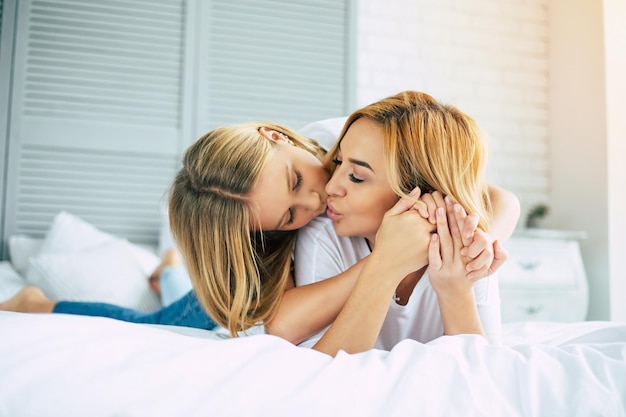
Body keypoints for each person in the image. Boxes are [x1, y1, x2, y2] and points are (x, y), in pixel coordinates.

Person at [291, 90, 518, 356]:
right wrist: (386, 263)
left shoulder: (467, 244)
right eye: (338, 162)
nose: (331, 186)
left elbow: (483, 373)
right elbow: (323, 372)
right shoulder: (325, 236)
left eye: (356, 177)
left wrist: (454, 287)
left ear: (420, 192)